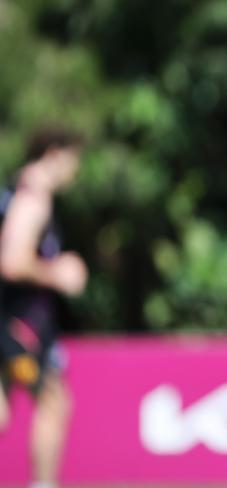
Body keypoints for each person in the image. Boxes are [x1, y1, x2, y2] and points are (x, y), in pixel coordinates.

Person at [0, 128, 87, 488]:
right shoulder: (33, 199)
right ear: (54, 153)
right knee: (54, 401)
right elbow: (11, 261)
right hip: (16, 321)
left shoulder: (16, 189)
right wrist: (58, 273)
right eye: (74, 160)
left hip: (11, 319)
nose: (76, 170)